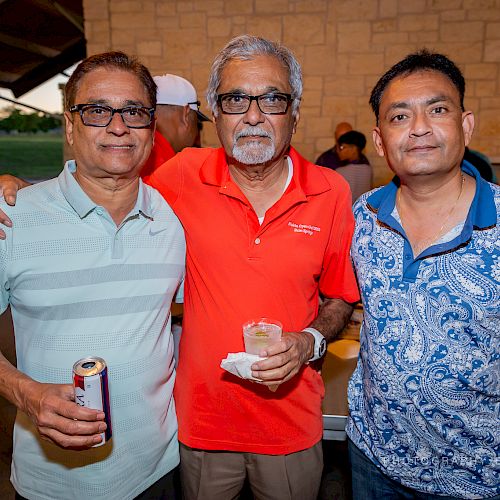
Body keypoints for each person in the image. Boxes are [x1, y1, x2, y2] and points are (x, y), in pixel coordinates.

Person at [0, 35, 359, 500]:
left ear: (295, 111)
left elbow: (340, 296)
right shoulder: (183, 176)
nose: (252, 115)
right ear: (215, 113)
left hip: (271, 431)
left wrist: (309, 341)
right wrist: (18, 190)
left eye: (271, 98)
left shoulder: (329, 192)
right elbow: (102, 178)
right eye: (234, 100)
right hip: (196, 429)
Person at [0, 52, 185, 499]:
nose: (118, 126)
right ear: (69, 125)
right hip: (52, 483)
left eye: (134, 111)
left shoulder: (174, 219)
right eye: (97, 110)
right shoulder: (12, 219)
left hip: (157, 471)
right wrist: (25, 393)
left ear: (150, 125)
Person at [348, 49, 499, 500]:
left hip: (478, 476)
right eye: (399, 116)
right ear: (379, 140)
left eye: (437, 110)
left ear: (465, 125)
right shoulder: (362, 217)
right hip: (374, 459)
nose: (419, 128)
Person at [140, 73, 210, 177]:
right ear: (185, 115)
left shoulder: (138, 152)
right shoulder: (168, 168)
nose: (196, 134)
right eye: (195, 121)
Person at [335, 130, 373, 203]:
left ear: (353, 149)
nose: (338, 151)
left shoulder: (340, 171)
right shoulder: (368, 169)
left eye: (342, 147)